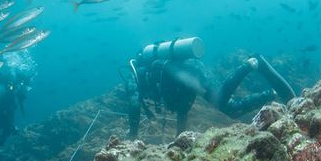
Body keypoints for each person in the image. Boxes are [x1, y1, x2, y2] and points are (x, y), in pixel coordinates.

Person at [122, 37, 296, 138]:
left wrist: (132, 136)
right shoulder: (153, 72)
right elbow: (182, 110)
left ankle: (250, 65)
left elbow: (134, 105)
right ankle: (270, 94)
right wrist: (179, 140)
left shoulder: (135, 76)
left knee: (220, 100)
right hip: (189, 71)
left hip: (186, 73)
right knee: (231, 108)